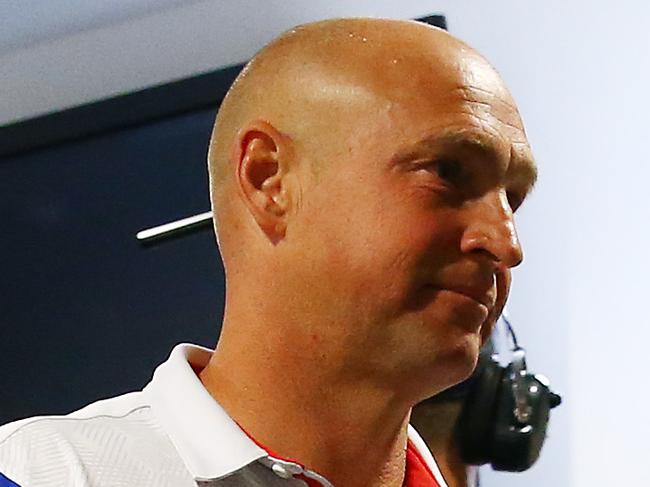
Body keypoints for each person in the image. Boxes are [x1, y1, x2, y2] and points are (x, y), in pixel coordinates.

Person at [0, 17, 536, 487]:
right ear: (268, 179)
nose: (506, 244)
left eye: (512, 198)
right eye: (448, 172)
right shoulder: (39, 473)